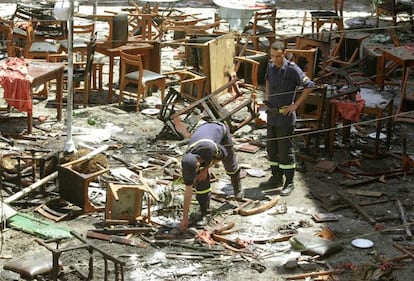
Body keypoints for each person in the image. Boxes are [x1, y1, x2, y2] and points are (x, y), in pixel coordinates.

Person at [260, 41, 316, 196]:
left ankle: (289, 182)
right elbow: (267, 80)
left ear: (284, 53)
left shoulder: (292, 69)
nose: (275, 59)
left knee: (285, 151)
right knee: (272, 149)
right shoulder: (270, 66)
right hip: (272, 115)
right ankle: (276, 177)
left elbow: (310, 86)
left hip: (285, 118)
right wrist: (266, 97)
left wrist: (295, 105)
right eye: (272, 56)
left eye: (278, 56)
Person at [180, 121, 243, 232]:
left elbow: (223, 154)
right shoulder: (188, 160)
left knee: (230, 165)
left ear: (198, 163)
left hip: (219, 131)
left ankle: (237, 187)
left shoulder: (210, 148)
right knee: (201, 180)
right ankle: (204, 211)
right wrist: (184, 219)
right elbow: (188, 191)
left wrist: (206, 168)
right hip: (203, 142)